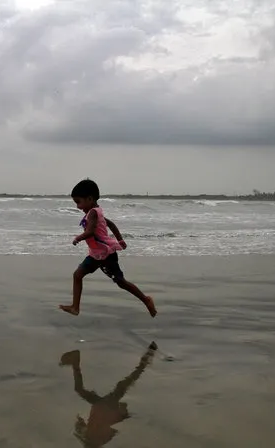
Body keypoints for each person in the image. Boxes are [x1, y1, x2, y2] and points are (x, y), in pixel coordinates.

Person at [59, 179, 157, 317]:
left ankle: (146, 300)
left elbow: (91, 231)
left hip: (105, 255)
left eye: (78, 202)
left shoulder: (93, 212)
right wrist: (120, 239)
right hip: (95, 255)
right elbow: (110, 224)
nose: (77, 206)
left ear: (90, 198)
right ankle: (75, 307)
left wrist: (78, 238)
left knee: (121, 282)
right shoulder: (96, 211)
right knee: (78, 275)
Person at [59, 342, 158, 447]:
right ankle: (146, 359)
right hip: (104, 407)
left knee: (123, 385)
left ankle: (146, 359)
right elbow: (108, 430)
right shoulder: (92, 439)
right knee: (82, 389)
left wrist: (82, 424)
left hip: (102, 407)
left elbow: (108, 430)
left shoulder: (93, 440)